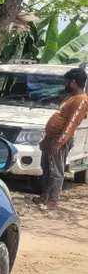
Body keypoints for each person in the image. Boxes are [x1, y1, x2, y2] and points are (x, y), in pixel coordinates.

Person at [35, 67, 88, 210]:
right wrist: (47, 139)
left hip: (60, 140)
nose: (65, 84)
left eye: (67, 81)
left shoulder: (81, 100)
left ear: (74, 82)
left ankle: (53, 201)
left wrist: (59, 142)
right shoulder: (70, 97)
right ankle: (44, 197)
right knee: (46, 167)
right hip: (51, 138)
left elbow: (72, 123)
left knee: (56, 171)